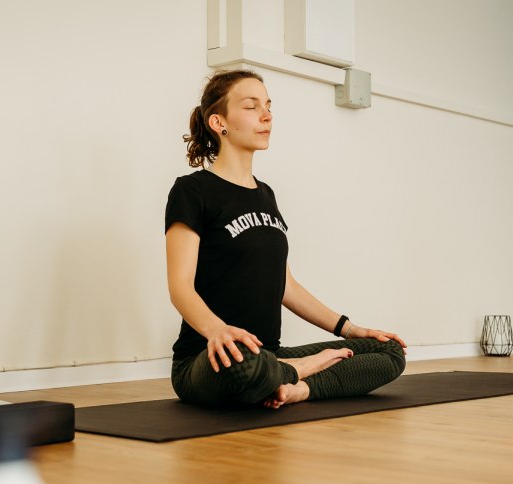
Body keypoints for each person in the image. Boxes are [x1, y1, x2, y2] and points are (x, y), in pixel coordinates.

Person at [165, 69, 406, 409]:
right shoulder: (192, 191)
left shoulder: (265, 195)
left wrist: (349, 329)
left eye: (268, 105)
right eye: (251, 107)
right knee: (244, 364)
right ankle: (299, 370)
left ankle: (295, 387)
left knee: (389, 352)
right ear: (219, 122)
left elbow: (285, 286)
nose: (266, 115)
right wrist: (218, 331)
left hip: (268, 353)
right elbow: (180, 287)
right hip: (209, 358)